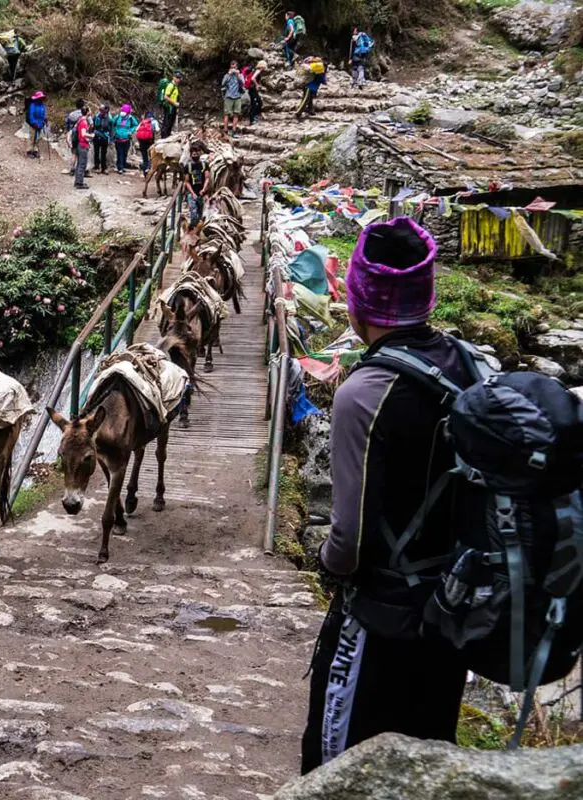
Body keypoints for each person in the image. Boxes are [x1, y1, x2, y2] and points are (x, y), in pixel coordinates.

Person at [302, 217, 470, 774]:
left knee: (337, 765)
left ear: (357, 300)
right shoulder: (471, 368)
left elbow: (348, 543)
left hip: (379, 621)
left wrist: (325, 559)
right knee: (425, 764)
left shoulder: (363, 392)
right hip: (450, 623)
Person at [182, 144, 210, 228]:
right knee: (193, 213)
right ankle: (192, 229)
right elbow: (187, 182)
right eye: (194, 154)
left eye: (197, 154)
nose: (195, 155)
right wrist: (192, 193)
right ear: (190, 155)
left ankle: (198, 230)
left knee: (201, 213)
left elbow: (207, 178)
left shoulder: (204, 165)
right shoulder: (188, 167)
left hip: (202, 193)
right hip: (191, 193)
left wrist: (204, 189)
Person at [112, 103, 138, 175]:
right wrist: (115, 131)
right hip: (118, 138)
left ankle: (122, 166)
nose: (123, 113)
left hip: (126, 139)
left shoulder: (131, 118)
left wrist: (131, 131)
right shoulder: (118, 117)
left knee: (125, 154)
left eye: (124, 112)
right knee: (119, 153)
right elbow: (112, 123)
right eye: (122, 111)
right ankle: (120, 167)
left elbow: (135, 125)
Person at [221, 60, 244, 137]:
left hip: (237, 96)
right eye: (232, 67)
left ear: (237, 67)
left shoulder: (240, 75)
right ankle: (225, 130)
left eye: (235, 67)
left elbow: (243, 83)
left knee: (236, 114)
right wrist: (229, 74)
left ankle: (234, 130)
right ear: (230, 67)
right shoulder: (227, 75)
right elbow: (223, 83)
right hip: (228, 96)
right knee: (226, 114)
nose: (233, 68)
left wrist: (237, 75)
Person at [74, 107, 93, 189]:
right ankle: (79, 183)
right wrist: (91, 136)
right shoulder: (84, 122)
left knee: (79, 163)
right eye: (90, 110)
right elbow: (83, 134)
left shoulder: (79, 120)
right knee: (82, 164)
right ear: (87, 112)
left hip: (79, 144)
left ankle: (78, 181)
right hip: (82, 145)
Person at [66, 99, 86, 175]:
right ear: (83, 106)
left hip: (73, 135)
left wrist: (68, 135)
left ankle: (72, 169)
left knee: (74, 153)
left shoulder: (71, 114)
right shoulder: (83, 114)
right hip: (81, 136)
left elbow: (67, 125)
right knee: (82, 154)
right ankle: (81, 170)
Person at [135, 110, 158, 176]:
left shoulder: (143, 121)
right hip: (150, 141)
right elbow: (157, 129)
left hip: (142, 142)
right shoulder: (154, 122)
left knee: (144, 156)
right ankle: (149, 168)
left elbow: (137, 129)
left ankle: (145, 172)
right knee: (151, 156)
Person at [92, 104, 113, 174]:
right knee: (96, 152)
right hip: (97, 136)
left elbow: (111, 130)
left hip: (105, 137)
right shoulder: (96, 117)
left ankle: (104, 168)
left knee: (104, 153)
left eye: (103, 110)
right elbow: (92, 126)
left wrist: (111, 139)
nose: (102, 112)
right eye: (101, 110)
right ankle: (96, 166)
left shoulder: (109, 119)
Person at [25, 91, 47, 158]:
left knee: (38, 137)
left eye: (42, 97)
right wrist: (33, 123)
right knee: (32, 137)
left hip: (40, 124)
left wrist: (45, 119)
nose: (42, 99)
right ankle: (29, 151)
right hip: (33, 124)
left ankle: (35, 151)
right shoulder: (32, 105)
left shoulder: (42, 105)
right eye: (40, 97)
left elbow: (43, 114)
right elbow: (31, 115)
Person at [161, 72, 182, 138]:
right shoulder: (170, 86)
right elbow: (166, 97)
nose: (179, 79)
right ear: (174, 77)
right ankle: (164, 138)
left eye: (180, 78)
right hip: (169, 107)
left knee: (170, 123)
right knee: (167, 123)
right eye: (177, 78)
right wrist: (175, 103)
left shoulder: (175, 86)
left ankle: (167, 136)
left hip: (173, 108)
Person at [245, 61, 266, 125]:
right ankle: (252, 119)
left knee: (256, 103)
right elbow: (253, 78)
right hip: (252, 89)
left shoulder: (255, 70)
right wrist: (257, 85)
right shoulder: (258, 71)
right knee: (256, 103)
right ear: (262, 66)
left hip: (251, 89)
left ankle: (253, 117)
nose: (265, 68)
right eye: (264, 66)